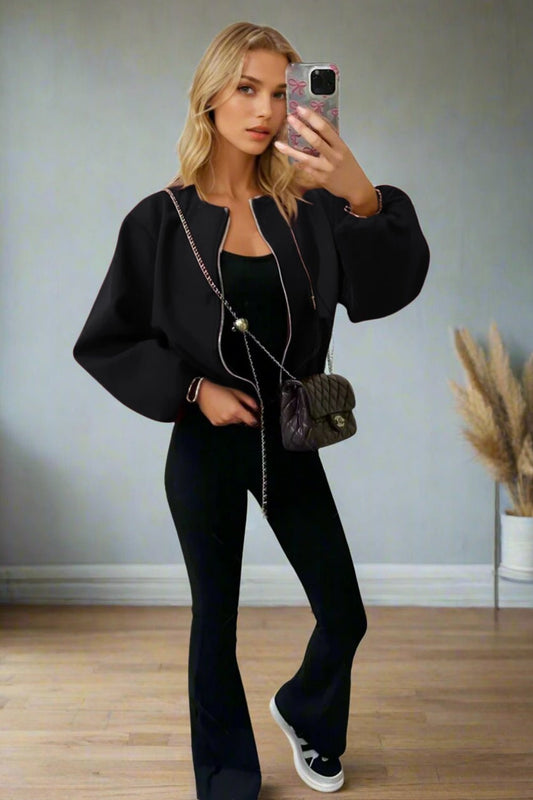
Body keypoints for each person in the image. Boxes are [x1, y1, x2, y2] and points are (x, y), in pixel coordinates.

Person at [73, 20, 429, 800]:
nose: (264, 110)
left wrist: (361, 194)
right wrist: (194, 390)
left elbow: (384, 288)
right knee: (216, 620)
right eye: (245, 88)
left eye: (278, 92)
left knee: (343, 613)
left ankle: (306, 712)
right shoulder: (158, 220)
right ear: (210, 96)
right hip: (204, 443)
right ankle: (227, 776)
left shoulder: (310, 209)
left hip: (290, 436)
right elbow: (106, 339)